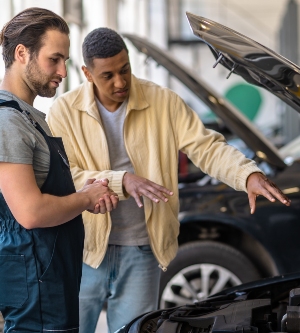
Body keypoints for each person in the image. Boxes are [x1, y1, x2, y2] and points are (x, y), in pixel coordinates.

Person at [47, 28, 291, 333]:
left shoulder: (163, 101)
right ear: (87, 73)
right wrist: (121, 181)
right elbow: (65, 175)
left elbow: (207, 147)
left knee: (134, 330)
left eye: (125, 70)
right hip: (84, 249)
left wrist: (247, 174)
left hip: (142, 250)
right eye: (108, 75)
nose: (120, 82)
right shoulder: (63, 112)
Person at [0, 9, 119, 333]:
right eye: (54, 59)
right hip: (34, 287)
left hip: (51, 278)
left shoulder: (32, 117)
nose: (63, 71)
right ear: (22, 53)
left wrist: (84, 194)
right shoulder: (8, 122)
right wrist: (84, 198)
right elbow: (30, 212)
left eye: (64, 60)